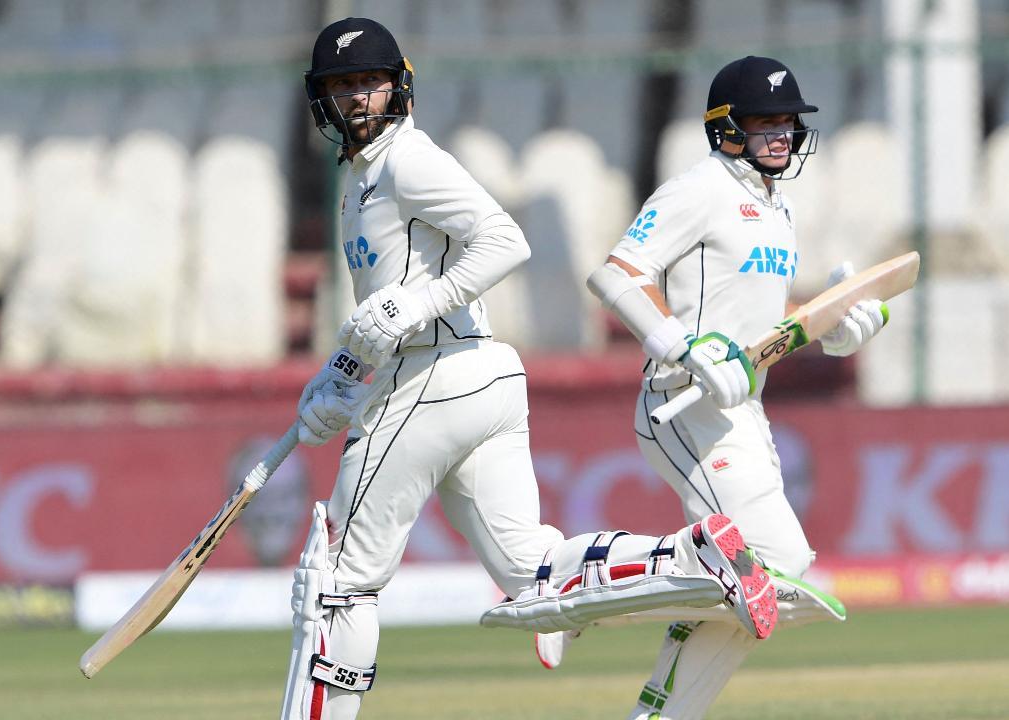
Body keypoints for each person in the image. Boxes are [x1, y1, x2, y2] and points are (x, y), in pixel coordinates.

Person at [282, 21, 779, 720]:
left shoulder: (407, 162)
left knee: (336, 581)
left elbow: (502, 240)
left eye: (370, 82)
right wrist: (335, 377)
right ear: (320, 99)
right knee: (532, 573)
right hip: (474, 380)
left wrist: (417, 307)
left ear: (399, 86)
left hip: (435, 379)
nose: (358, 99)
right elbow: (382, 308)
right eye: (341, 86)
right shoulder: (360, 183)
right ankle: (692, 559)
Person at [577, 56, 887, 719]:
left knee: (769, 578)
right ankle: (580, 579)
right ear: (726, 129)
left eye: (789, 122)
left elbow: (765, 328)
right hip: (681, 402)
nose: (782, 134)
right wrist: (680, 346)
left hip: (743, 408)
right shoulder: (701, 188)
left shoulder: (780, 209)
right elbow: (615, 275)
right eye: (765, 121)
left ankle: (658, 714)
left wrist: (836, 327)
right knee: (769, 563)